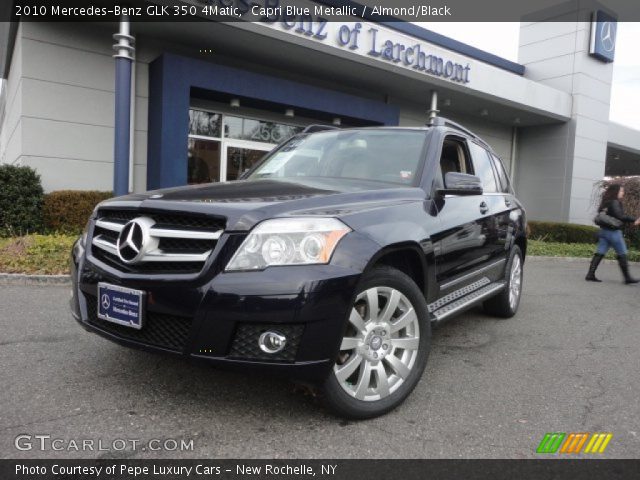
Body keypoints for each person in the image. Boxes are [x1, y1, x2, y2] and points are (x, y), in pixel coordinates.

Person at [586, 184, 640, 284]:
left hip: (604, 232)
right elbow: (620, 216)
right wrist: (635, 220)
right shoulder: (615, 202)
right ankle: (627, 277)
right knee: (622, 253)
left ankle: (590, 274)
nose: (623, 193)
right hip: (613, 232)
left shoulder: (605, 202)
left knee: (600, 252)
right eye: (621, 191)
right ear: (616, 191)